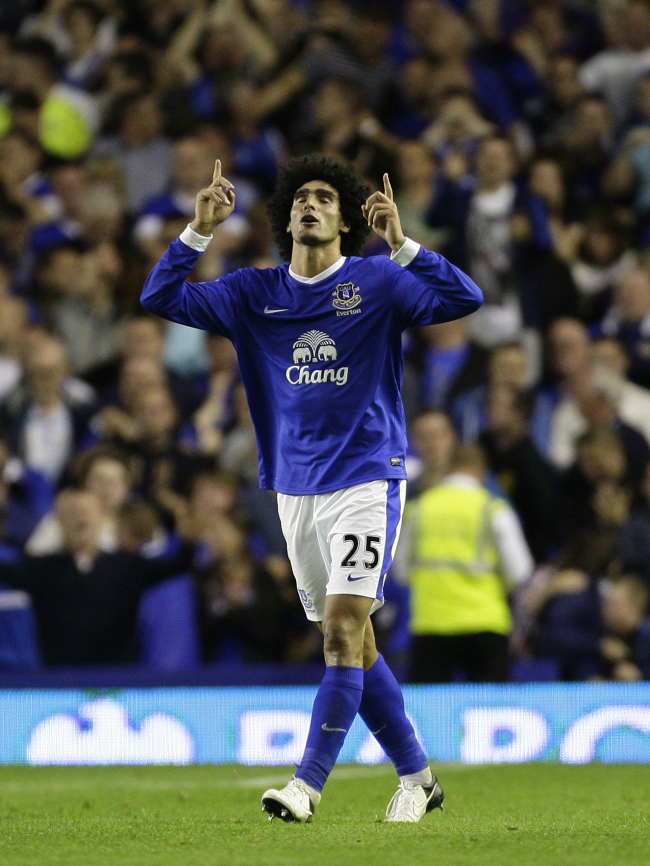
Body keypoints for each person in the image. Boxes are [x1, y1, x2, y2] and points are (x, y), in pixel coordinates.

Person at [141, 153, 483, 823]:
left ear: (344, 216)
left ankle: (306, 786)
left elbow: (463, 298)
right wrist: (199, 230)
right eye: (301, 197)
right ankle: (418, 778)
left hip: (367, 475)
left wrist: (404, 244)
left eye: (326, 196)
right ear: (284, 217)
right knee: (358, 643)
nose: (311, 204)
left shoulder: (378, 282)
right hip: (295, 488)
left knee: (342, 629)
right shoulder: (250, 291)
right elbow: (160, 297)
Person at [404, 444, 534, 684]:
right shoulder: (493, 508)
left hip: (431, 623)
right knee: (489, 710)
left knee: (431, 711)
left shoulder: (417, 509)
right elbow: (521, 570)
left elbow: (401, 571)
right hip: (485, 622)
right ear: (482, 470)